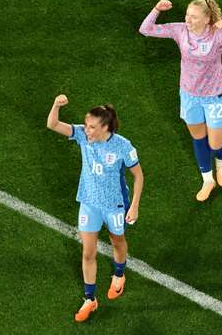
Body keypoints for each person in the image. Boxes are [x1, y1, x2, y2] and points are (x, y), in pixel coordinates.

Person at [139, 0, 222, 201]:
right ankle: (207, 180)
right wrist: (157, 9)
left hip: (214, 97)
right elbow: (145, 29)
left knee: (216, 144)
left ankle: (221, 158)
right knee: (199, 138)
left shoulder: (218, 35)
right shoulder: (180, 30)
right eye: (187, 15)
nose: (188, 19)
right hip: (189, 96)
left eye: (193, 17)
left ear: (207, 19)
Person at [46, 95, 144, 323]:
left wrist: (135, 205)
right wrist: (56, 106)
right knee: (88, 252)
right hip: (89, 203)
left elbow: (138, 176)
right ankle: (90, 298)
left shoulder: (123, 146)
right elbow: (52, 124)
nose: (87, 130)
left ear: (105, 127)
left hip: (115, 206)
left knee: (117, 241)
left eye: (92, 127)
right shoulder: (81, 135)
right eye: (86, 125)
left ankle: (119, 274)